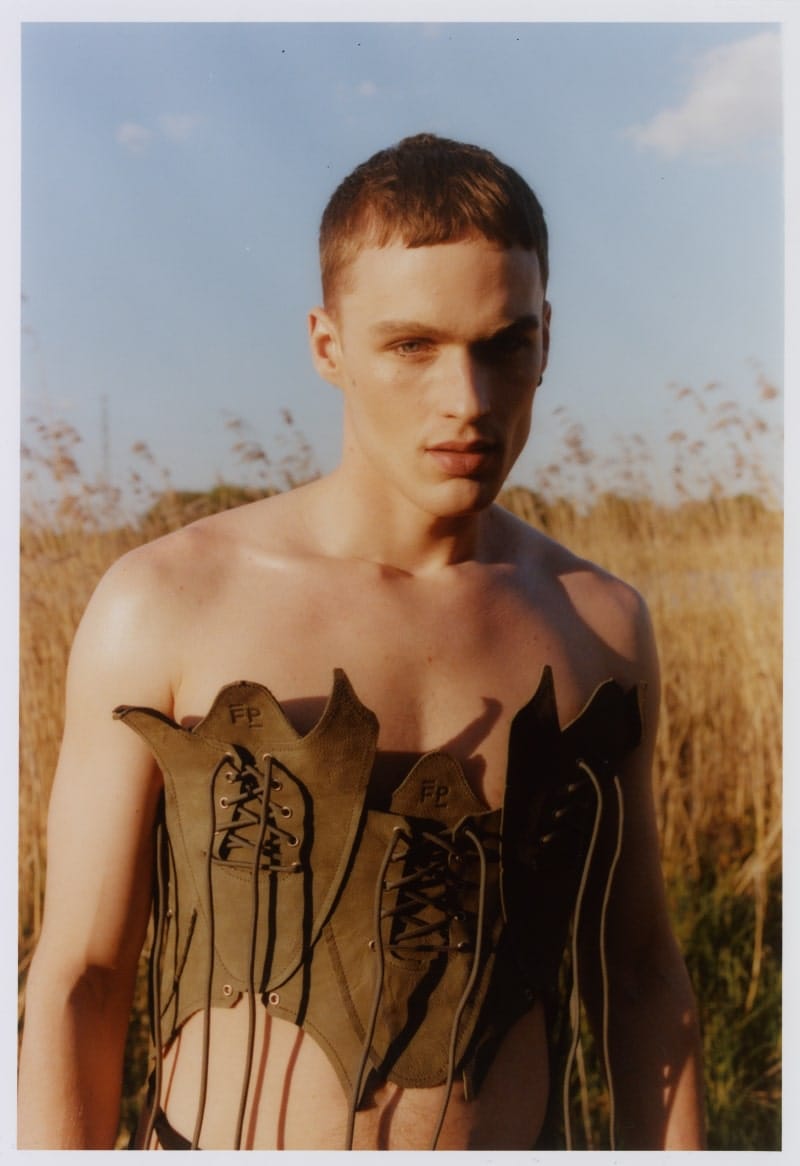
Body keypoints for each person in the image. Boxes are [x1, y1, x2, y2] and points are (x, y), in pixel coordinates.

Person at [18, 133, 705, 1151]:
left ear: (545, 341)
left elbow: (640, 972)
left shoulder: (597, 625)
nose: (467, 400)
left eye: (502, 345)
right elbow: (81, 973)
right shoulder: (169, 602)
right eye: (412, 345)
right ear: (328, 344)